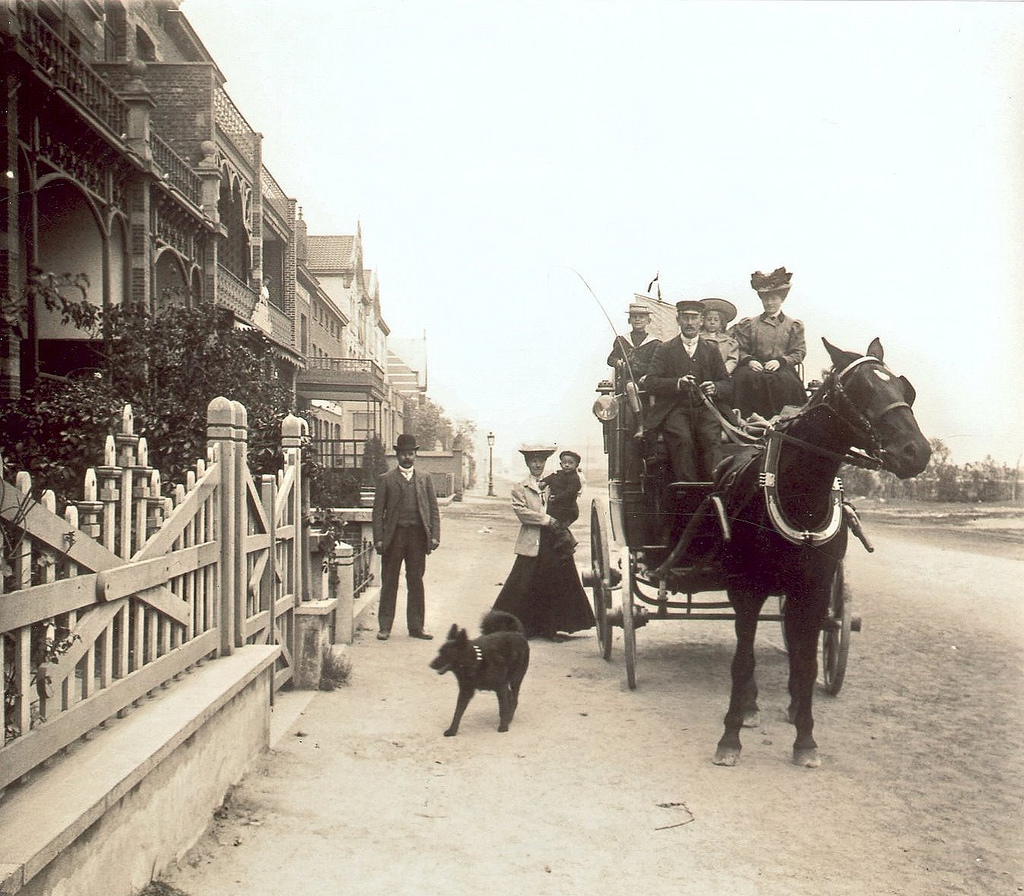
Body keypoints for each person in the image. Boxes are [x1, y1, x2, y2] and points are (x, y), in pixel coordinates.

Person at [492, 445, 596, 641]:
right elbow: (522, 513)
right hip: (532, 539)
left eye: (541, 461)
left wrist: (563, 522)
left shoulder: (555, 483)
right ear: (528, 464)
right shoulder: (520, 488)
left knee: (555, 583)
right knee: (524, 583)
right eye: (533, 461)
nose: (537, 465)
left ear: (546, 463)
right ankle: (524, 628)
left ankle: (551, 629)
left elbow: (569, 504)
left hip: (554, 540)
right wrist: (547, 520)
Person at [639, 300, 731, 482]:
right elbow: (650, 382)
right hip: (674, 408)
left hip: (705, 408)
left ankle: (716, 489)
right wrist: (678, 383)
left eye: (694, 318)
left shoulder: (711, 349)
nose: (689, 323)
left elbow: (727, 384)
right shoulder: (665, 349)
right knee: (682, 440)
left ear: (701, 320)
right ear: (678, 320)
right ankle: (687, 491)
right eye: (685, 318)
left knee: (711, 439)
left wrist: (715, 387)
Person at [371, 433, 440, 641]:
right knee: (389, 581)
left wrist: (435, 535)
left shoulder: (424, 479)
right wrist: (379, 539)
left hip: (417, 537)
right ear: (397, 455)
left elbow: (433, 509)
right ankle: (384, 626)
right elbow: (377, 513)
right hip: (395, 536)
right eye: (403, 454)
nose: (407, 458)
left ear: (415, 455)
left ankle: (416, 627)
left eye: (411, 453)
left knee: (416, 581)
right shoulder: (386, 479)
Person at [731, 267, 807, 418]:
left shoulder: (793, 325)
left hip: (781, 368)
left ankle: (782, 423)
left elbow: (799, 352)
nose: (770, 303)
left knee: (786, 383)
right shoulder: (749, 324)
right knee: (742, 379)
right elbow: (740, 348)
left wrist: (780, 361)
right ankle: (744, 422)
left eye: (774, 299)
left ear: (781, 299)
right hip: (754, 367)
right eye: (766, 299)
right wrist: (749, 360)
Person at [539, 449, 583, 557]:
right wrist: (544, 482)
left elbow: (570, 492)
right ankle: (566, 543)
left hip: (568, 510)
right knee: (556, 527)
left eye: (570, 463)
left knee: (558, 527)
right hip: (556, 508)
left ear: (576, 465)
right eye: (565, 463)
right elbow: (550, 478)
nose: (567, 465)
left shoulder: (574, 479)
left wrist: (557, 498)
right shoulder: (558, 474)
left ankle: (567, 548)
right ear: (561, 464)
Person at [606, 301, 662, 381]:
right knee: (630, 386)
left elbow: (658, 365)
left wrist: (648, 376)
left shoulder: (655, 343)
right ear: (629, 320)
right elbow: (611, 358)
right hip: (627, 380)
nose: (637, 319)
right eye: (634, 317)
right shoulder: (622, 340)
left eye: (641, 317)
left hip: (647, 379)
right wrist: (617, 362)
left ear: (648, 321)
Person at [699, 297, 739, 375]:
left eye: (716, 320)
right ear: (703, 321)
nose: (712, 322)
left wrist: (724, 373)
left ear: (721, 322)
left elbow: (732, 360)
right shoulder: (697, 338)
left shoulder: (729, 341)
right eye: (709, 319)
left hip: (722, 374)